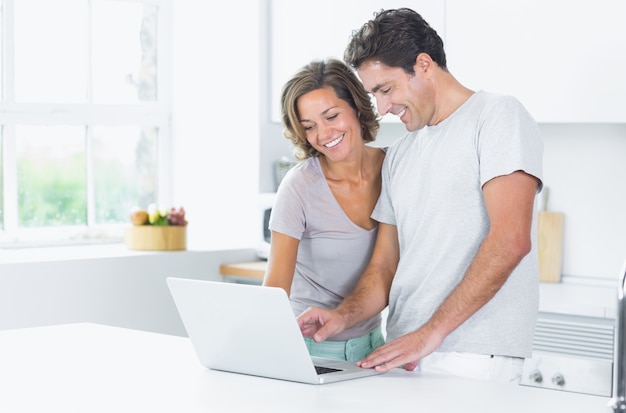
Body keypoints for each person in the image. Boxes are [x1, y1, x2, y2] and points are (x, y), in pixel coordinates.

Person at [297, 8, 544, 383]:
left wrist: (431, 333)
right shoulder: (400, 154)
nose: (382, 108)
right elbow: (384, 266)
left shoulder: (497, 116)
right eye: (373, 94)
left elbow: (510, 240)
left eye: (386, 89)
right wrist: (343, 316)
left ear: (424, 65)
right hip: (403, 351)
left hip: (472, 356)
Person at [263, 58, 387, 362]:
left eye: (331, 116)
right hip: (309, 349)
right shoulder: (299, 186)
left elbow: (389, 267)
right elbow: (274, 291)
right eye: (309, 127)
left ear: (356, 106)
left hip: (374, 346)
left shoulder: (394, 169)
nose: (324, 134)